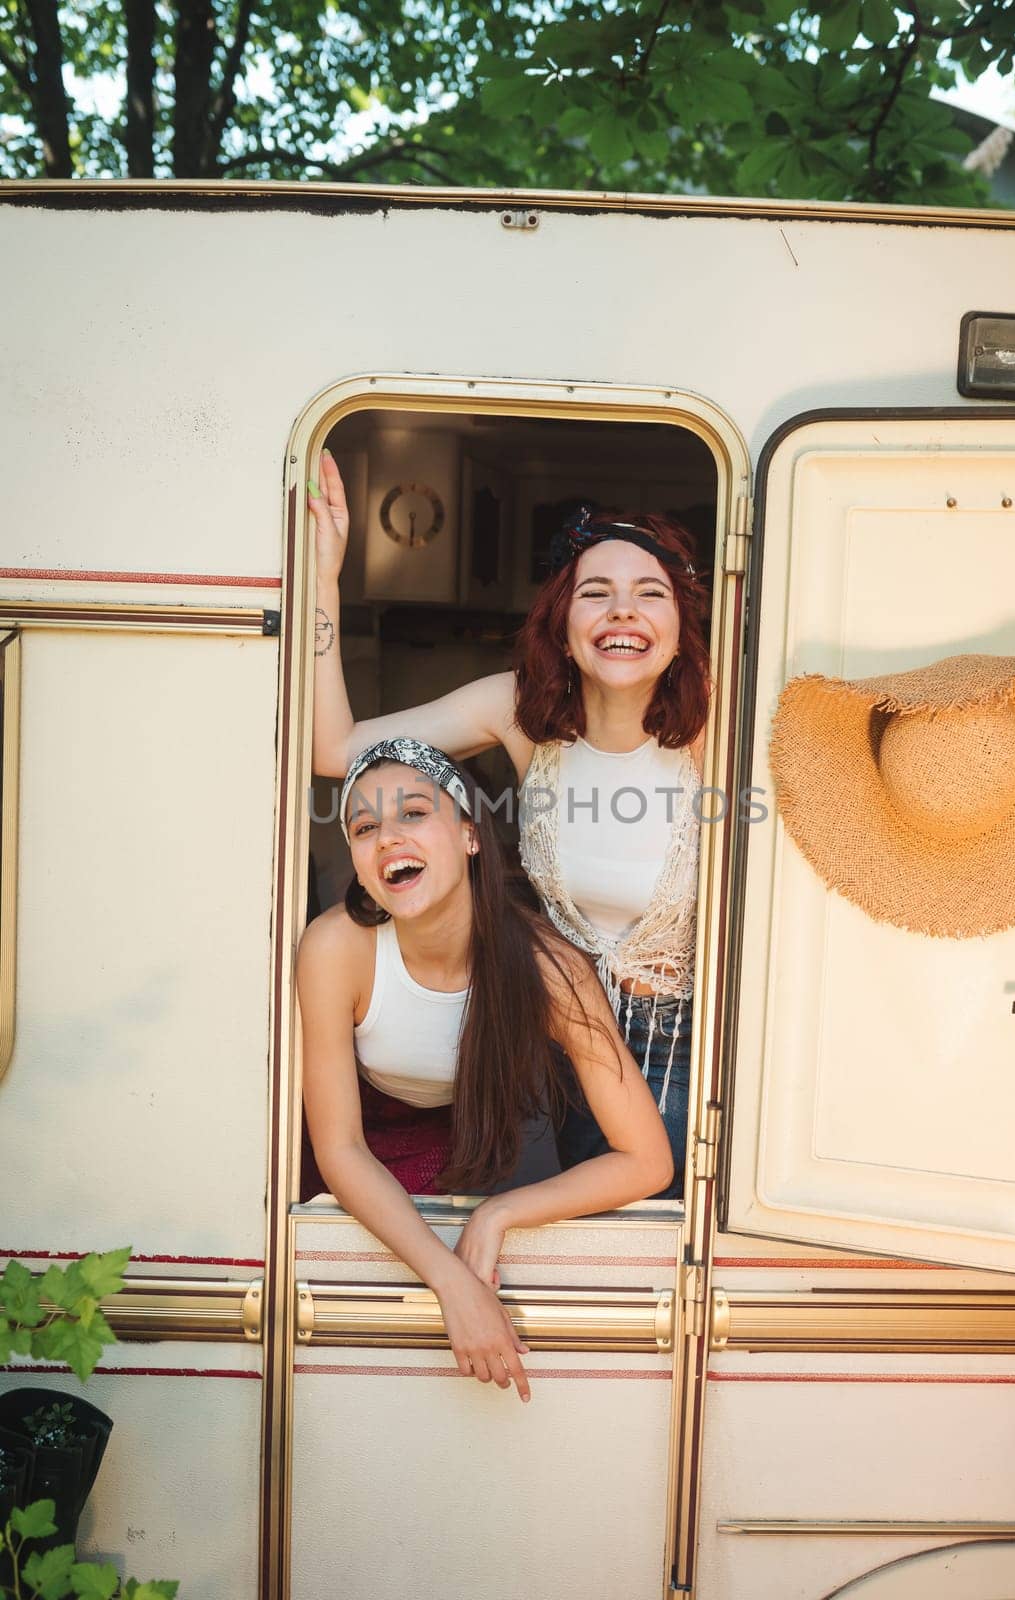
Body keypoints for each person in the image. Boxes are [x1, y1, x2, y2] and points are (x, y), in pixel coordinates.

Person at [310, 450, 711, 1196]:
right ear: (563, 629)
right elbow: (333, 749)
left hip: (687, 1049)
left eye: (648, 593)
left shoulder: (718, 730)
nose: (622, 611)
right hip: (559, 1048)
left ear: (682, 629)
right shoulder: (520, 712)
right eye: (595, 594)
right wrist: (324, 579)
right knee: (594, 1266)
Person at [297, 738, 674, 1403]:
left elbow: (646, 1161)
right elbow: (339, 1146)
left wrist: (499, 1215)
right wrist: (450, 1282)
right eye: (363, 827)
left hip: (466, 1156)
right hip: (345, 1167)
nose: (386, 838)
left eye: (412, 814)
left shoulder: (549, 969)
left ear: (470, 835)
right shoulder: (336, 949)